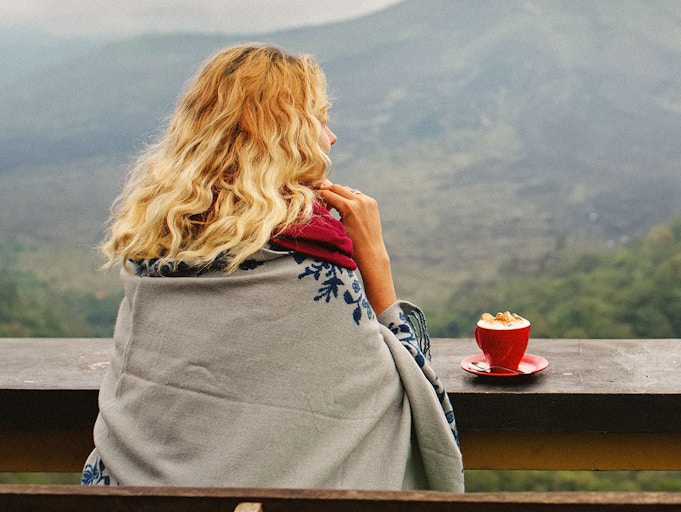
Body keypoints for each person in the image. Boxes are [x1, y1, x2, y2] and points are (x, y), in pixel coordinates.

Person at [81, 43, 463, 491]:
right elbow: (409, 392)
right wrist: (375, 259)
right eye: (320, 120)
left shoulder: (155, 241)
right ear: (289, 135)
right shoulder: (312, 255)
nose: (331, 137)